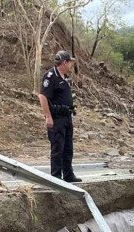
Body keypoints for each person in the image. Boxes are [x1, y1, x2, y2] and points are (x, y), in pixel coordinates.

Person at [38, 50, 82, 183]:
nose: (71, 66)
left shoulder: (65, 77)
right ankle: (56, 177)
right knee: (58, 148)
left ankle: (68, 175)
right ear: (64, 62)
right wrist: (48, 116)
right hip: (56, 118)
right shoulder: (51, 76)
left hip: (67, 117)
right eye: (70, 63)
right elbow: (42, 96)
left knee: (68, 148)